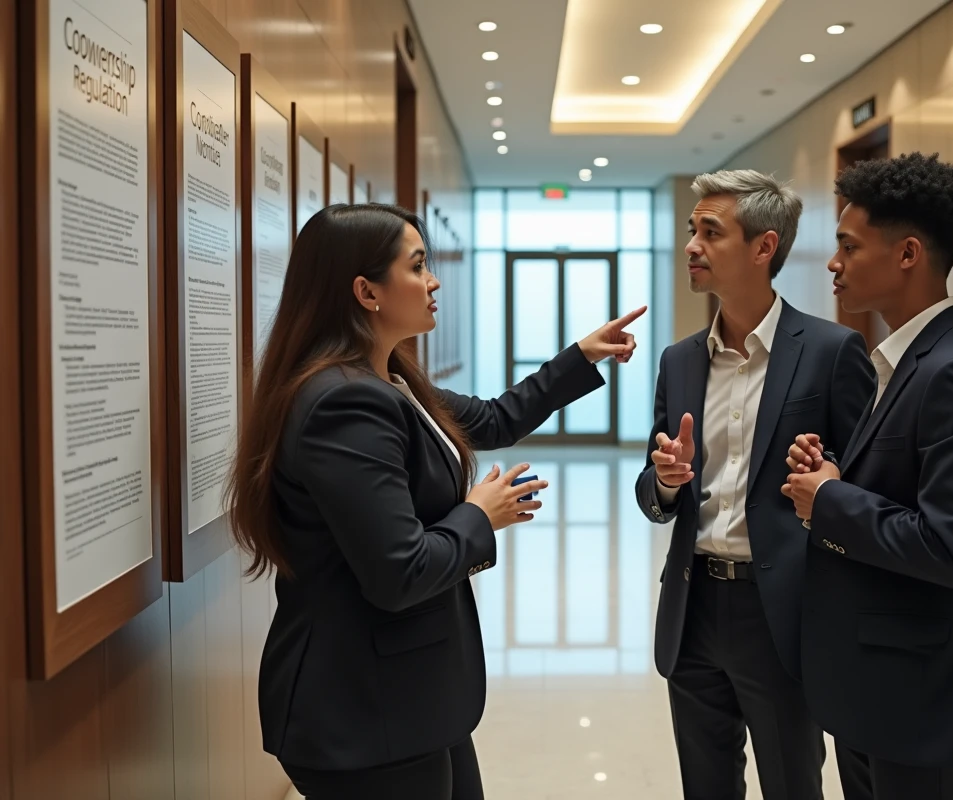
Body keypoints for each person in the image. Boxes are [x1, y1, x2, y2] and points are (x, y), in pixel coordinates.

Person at [226, 203, 646, 800]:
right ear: (367, 292)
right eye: (417, 265)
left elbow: (495, 418)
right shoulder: (345, 403)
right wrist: (480, 514)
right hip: (363, 709)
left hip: (408, 696)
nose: (434, 281)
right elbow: (400, 571)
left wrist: (581, 355)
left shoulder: (388, 380)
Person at [634, 170, 876, 799]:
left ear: (764, 247)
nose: (691, 245)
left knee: (792, 784)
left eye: (711, 232)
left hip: (784, 612)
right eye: (692, 229)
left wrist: (825, 478)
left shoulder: (831, 351)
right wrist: (665, 481)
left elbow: (864, 486)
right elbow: (653, 492)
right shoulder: (679, 360)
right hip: (693, 608)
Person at [783, 152, 953, 800]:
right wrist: (833, 476)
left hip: (919, 699)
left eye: (849, 247)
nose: (833, 263)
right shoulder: (906, 361)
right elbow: (899, 492)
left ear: (907, 254)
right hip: (877, 688)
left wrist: (829, 499)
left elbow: (951, 548)